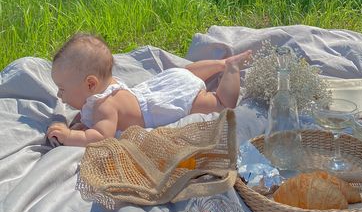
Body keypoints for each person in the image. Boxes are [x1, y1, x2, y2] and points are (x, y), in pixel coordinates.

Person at [46, 33, 251, 147]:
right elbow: (91, 120)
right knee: (187, 73)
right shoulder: (105, 88)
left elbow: (101, 137)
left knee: (220, 103)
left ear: (91, 84)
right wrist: (81, 124)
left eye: (62, 89)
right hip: (166, 82)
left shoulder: (104, 106)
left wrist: (68, 136)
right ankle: (219, 64)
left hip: (166, 105)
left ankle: (231, 68)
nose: (59, 95)